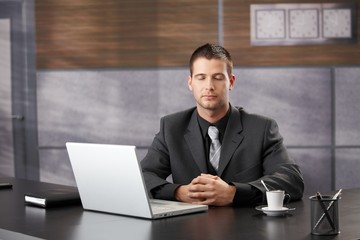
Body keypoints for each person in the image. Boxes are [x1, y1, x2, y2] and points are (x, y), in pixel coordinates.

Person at [141, 43, 304, 207]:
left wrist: (234, 193)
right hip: (187, 228)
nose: (209, 86)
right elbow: (142, 176)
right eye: (201, 77)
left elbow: (291, 179)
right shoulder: (171, 127)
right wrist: (178, 192)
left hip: (248, 229)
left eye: (218, 77)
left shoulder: (261, 128)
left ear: (231, 82)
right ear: (190, 83)